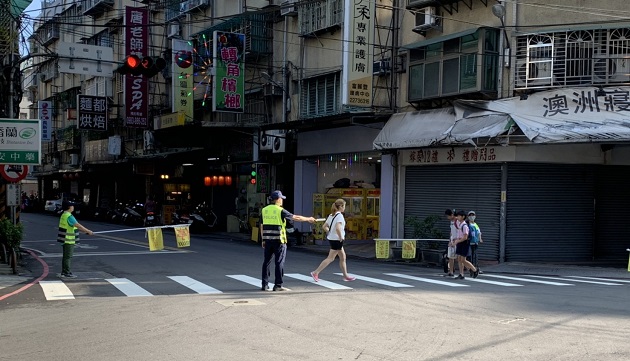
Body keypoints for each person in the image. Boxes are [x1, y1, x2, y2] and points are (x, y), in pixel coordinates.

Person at [260, 190, 315, 291]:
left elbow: (262, 226)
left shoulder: (264, 210)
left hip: (267, 240)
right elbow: (295, 218)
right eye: (281, 199)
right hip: (279, 240)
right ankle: (278, 285)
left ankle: (264, 284)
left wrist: (263, 239)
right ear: (278, 199)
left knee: (266, 262)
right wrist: (308, 219)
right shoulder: (280, 210)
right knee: (279, 262)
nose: (282, 201)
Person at [310, 199, 356, 282]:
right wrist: (341, 236)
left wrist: (330, 232)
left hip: (332, 238)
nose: (344, 208)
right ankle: (315, 272)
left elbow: (324, 226)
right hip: (337, 240)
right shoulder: (339, 216)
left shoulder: (331, 215)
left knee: (343, 257)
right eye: (344, 206)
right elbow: (338, 228)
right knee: (330, 258)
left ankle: (345, 275)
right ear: (341, 206)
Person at [57, 201, 94, 278]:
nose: (73, 207)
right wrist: (88, 231)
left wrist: (85, 231)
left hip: (64, 239)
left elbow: (72, 227)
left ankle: (64, 271)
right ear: (69, 207)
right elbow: (77, 225)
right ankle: (66, 272)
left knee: (66, 256)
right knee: (68, 257)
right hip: (69, 240)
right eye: (72, 206)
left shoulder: (64, 215)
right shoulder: (69, 216)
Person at [451, 210, 478, 279]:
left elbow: (465, 237)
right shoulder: (460, 224)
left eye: (459, 216)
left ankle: (474, 269)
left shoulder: (465, 226)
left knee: (463, 260)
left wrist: (457, 241)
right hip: (460, 243)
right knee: (459, 259)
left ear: (463, 217)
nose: (458, 217)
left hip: (464, 243)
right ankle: (461, 274)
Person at [467, 210, 483, 275]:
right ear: (468, 217)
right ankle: (471, 269)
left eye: (473, 215)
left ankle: (476, 268)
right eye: (470, 215)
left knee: (475, 256)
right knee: (470, 256)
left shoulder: (475, 224)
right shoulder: (467, 224)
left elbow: (479, 232)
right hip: (469, 242)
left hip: (475, 242)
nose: (471, 217)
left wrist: (480, 239)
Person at [444, 209, 457, 277]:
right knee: (451, 257)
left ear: (452, 215)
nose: (447, 218)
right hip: (452, 240)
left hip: (458, 240)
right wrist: (450, 240)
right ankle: (451, 271)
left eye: (447, 216)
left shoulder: (457, 221)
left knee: (461, 258)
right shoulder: (451, 222)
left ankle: (472, 269)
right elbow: (451, 231)